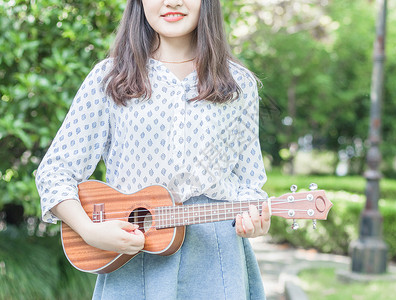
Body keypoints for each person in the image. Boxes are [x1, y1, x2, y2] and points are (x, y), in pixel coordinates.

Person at [35, 0, 270, 299]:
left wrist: (255, 220)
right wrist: (89, 230)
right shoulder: (110, 77)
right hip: (135, 255)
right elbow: (55, 172)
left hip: (217, 262)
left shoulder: (239, 85)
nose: (172, 2)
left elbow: (249, 182)